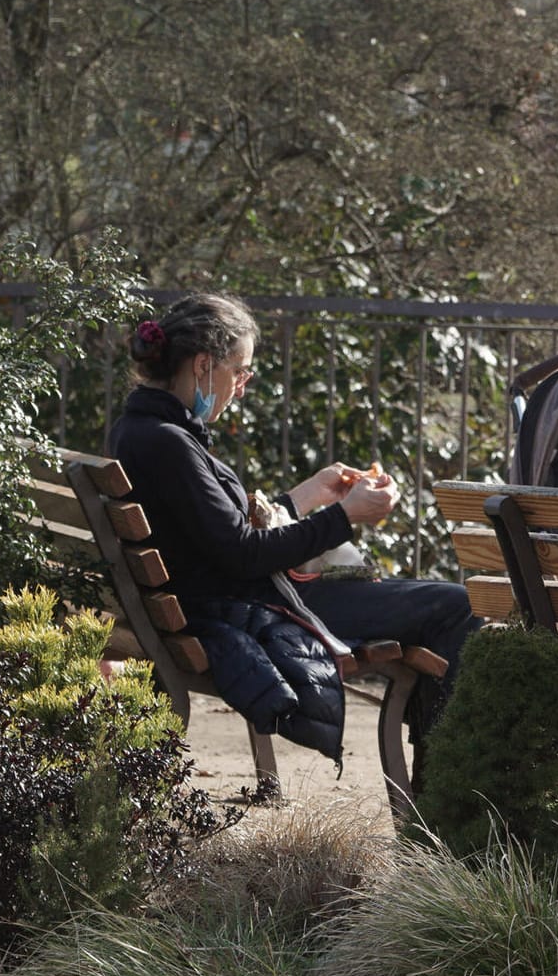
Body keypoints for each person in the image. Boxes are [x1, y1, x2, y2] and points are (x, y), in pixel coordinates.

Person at [109, 294, 480, 772]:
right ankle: (449, 790)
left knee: (436, 602)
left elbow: (221, 534)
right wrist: (346, 517)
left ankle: (440, 779)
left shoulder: (141, 430)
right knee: (457, 607)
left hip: (227, 603)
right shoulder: (169, 444)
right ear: (203, 365)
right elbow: (244, 554)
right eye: (240, 370)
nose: (241, 387)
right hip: (259, 609)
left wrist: (305, 498)